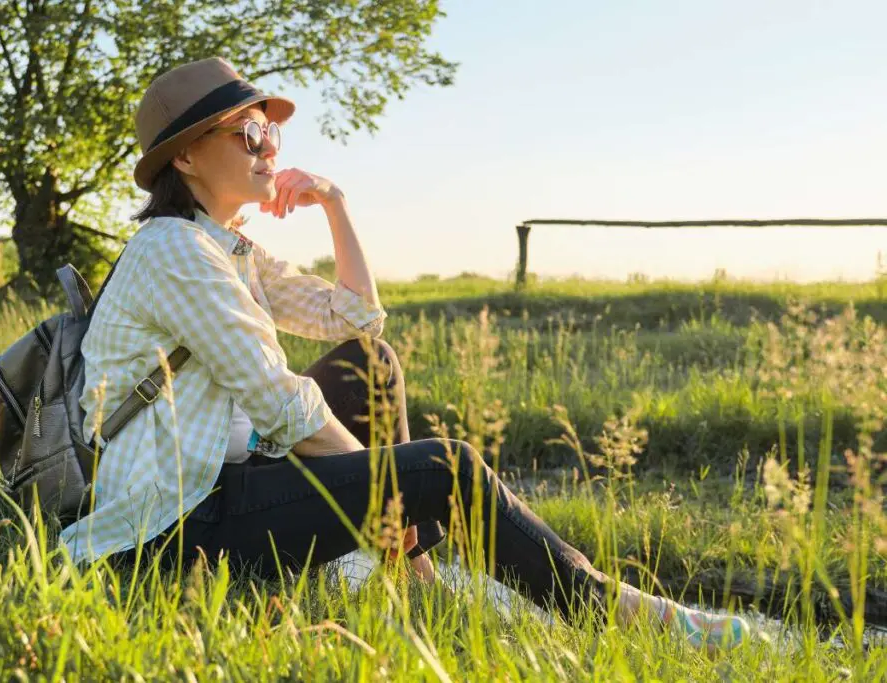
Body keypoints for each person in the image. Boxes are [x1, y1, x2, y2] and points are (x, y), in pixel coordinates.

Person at [59, 57, 748, 651]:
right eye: (249, 132)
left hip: (224, 480)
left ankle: (413, 574)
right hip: (171, 528)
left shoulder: (227, 248)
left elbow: (358, 317)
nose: (269, 147)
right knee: (444, 467)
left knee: (370, 361)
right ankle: (611, 607)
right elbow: (280, 401)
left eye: (271, 130)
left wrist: (334, 201)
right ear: (185, 157)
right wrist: (396, 483)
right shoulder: (176, 251)